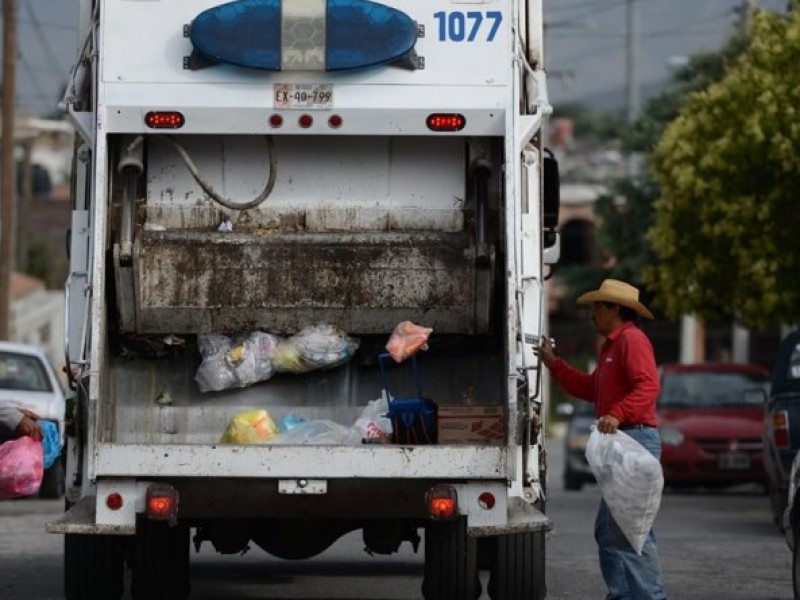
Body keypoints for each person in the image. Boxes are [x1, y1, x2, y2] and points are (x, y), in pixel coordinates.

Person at [538, 279, 667, 600]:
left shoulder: (631, 341)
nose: (591, 314)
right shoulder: (612, 346)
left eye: (597, 307)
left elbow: (648, 387)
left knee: (629, 533)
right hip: (623, 443)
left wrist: (617, 414)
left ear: (614, 309)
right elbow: (590, 388)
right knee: (613, 531)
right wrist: (555, 365)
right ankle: (624, 594)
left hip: (633, 442)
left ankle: (648, 596)